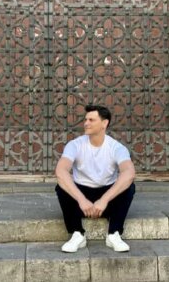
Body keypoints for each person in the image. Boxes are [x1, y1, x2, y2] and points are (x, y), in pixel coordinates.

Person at [54, 104, 136, 252]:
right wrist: (81, 199)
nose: (86, 123)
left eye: (91, 120)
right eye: (85, 119)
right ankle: (77, 234)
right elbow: (61, 171)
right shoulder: (75, 145)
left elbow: (129, 172)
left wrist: (104, 200)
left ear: (104, 123)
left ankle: (114, 234)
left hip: (107, 199)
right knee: (61, 186)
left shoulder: (116, 148)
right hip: (81, 200)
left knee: (129, 186)